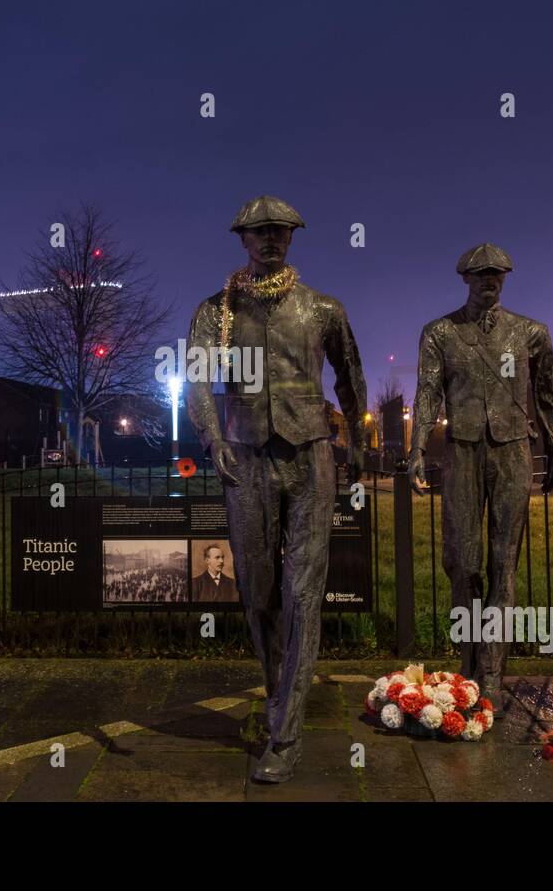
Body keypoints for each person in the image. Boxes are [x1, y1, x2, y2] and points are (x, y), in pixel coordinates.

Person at [186, 195, 366, 784]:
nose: (270, 239)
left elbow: (352, 375)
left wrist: (359, 445)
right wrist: (213, 442)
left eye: (280, 231)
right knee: (259, 590)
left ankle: (285, 732)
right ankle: (278, 690)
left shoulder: (322, 309)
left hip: (311, 456)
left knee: (303, 592)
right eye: (259, 232)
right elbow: (195, 383)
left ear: (292, 238)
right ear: (242, 238)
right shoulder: (217, 311)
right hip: (246, 458)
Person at [408, 243, 553, 717]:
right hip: (463, 449)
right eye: (480, 274)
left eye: (497, 273)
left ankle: (491, 668)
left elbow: (546, 395)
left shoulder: (531, 333)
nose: (489, 280)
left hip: (513, 450)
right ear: (466, 278)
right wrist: (415, 449)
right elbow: (428, 392)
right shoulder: (440, 333)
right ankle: (468, 655)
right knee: (463, 561)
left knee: (504, 562)